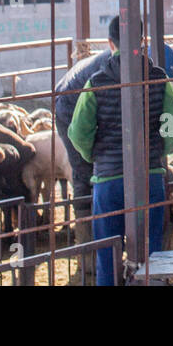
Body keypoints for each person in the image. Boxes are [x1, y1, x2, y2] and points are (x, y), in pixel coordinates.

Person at [67, 41, 173, 286]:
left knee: (107, 256)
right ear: (142, 42)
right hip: (149, 177)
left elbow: (78, 132)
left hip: (108, 181)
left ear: (110, 44)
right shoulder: (159, 79)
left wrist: (94, 156)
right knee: (153, 256)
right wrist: (159, 150)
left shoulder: (96, 83)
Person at [54, 17, 123, 257]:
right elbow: (83, 129)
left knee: (105, 170)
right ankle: (89, 248)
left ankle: (104, 241)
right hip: (69, 107)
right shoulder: (110, 68)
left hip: (76, 98)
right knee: (86, 174)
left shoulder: (120, 63)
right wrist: (92, 153)